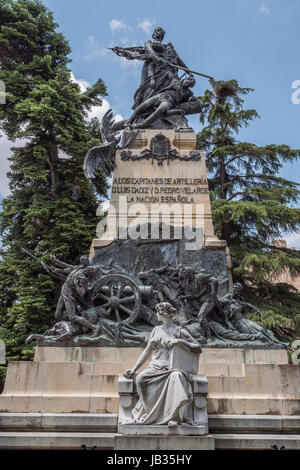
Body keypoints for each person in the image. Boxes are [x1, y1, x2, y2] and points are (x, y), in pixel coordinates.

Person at [124, 302, 202, 427]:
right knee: (140, 378)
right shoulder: (156, 330)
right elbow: (147, 351)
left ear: (163, 314)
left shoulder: (179, 331)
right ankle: (150, 413)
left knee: (176, 377)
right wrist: (133, 370)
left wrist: (180, 342)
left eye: (157, 312)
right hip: (155, 367)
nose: (156, 315)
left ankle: (174, 417)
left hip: (172, 367)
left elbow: (198, 347)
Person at [127, 75, 196, 129]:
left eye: (189, 85)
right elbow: (168, 72)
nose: (187, 85)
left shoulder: (188, 93)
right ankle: (129, 122)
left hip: (169, 101)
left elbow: (183, 103)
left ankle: (144, 124)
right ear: (185, 79)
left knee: (161, 108)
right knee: (142, 106)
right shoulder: (175, 80)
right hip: (161, 95)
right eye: (187, 82)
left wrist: (191, 100)